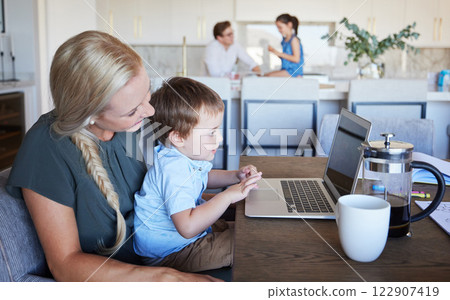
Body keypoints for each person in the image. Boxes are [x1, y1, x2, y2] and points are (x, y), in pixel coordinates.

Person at [6, 30, 219, 282]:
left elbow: (168, 187)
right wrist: (166, 279)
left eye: (147, 93)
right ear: (91, 115)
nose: (149, 110)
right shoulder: (46, 148)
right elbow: (64, 264)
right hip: (140, 273)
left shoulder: (130, 126)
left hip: (170, 250)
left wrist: (226, 201)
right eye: (132, 110)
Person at [133, 77, 262, 272]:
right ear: (178, 137)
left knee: (246, 229)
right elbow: (187, 227)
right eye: (211, 132)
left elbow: (204, 178)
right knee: (250, 243)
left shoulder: (182, 157)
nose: (219, 138)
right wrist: (227, 196)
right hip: (171, 253)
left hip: (182, 241)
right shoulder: (173, 170)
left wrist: (236, 176)